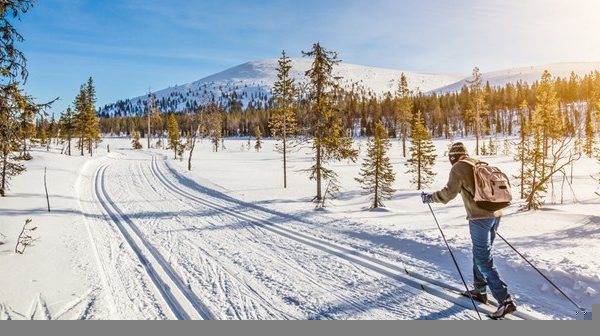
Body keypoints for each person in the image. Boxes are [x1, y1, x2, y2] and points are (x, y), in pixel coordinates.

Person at [421, 142, 517, 319]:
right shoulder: (478, 163)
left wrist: (429, 198)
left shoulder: (459, 167)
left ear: (452, 157)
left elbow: (448, 194)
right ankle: (480, 290)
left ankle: (505, 300)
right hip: (495, 215)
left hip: (480, 218)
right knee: (480, 254)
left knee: (482, 258)